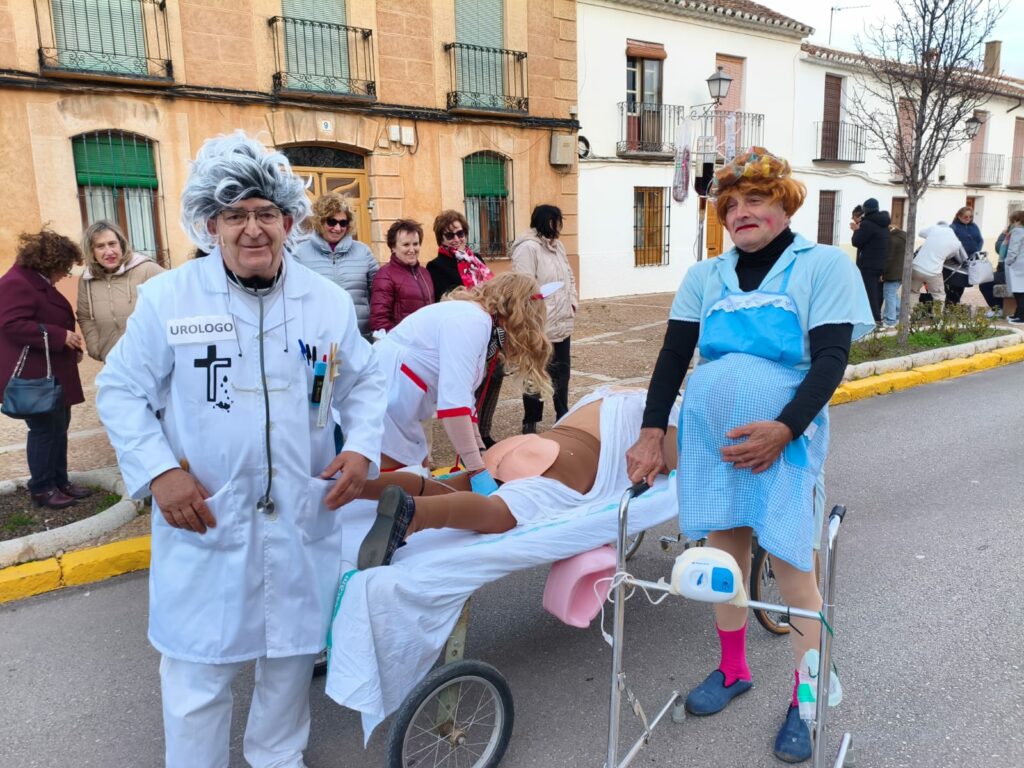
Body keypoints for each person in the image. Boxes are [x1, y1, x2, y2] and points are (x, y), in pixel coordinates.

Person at [95, 132, 386, 768]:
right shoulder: (170, 300)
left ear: (289, 221)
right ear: (210, 224)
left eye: (265, 214)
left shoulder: (325, 303)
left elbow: (364, 382)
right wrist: (160, 471)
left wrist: (362, 446)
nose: (252, 229)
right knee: (199, 673)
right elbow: (118, 390)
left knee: (287, 663)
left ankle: (278, 759)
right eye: (235, 214)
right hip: (208, 515)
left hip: (298, 513)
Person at [624, 147, 874, 763]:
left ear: (783, 202)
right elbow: (673, 357)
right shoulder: (705, 278)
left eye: (754, 199)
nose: (740, 212)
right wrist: (653, 430)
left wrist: (785, 429)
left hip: (783, 442)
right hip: (712, 444)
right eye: (729, 205)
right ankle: (733, 669)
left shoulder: (822, 267)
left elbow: (831, 361)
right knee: (723, 558)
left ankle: (805, 695)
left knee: (793, 566)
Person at [353, 387, 679, 568]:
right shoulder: (664, 409)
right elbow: (668, 461)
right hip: (567, 460)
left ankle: (358, 486)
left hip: (530, 443)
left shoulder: (604, 393)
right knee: (503, 512)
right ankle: (414, 515)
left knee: (458, 484)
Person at [374, 271, 553, 478]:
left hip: (400, 400)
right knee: (396, 480)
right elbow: (454, 406)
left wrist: (480, 454)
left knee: (416, 473)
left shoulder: (479, 321)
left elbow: (465, 404)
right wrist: (477, 470)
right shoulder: (472, 322)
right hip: (386, 399)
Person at [0, 229, 91, 509]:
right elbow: (12, 324)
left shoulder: (33, 281)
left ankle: (59, 481)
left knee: (58, 428)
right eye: (63, 268)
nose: (65, 274)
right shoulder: (16, 283)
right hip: (35, 376)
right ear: (49, 262)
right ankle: (42, 488)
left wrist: (68, 346)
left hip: (52, 372)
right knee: (43, 430)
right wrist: (59, 336)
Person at [427, 210, 501, 446]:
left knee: (494, 375)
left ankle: (485, 430)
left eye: (460, 233)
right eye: (450, 235)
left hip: (487, 327)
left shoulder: (475, 259)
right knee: (469, 382)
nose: (456, 238)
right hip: (462, 331)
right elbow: (444, 298)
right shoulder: (436, 266)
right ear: (441, 238)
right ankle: (471, 436)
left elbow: (491, 288)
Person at [511, 204, 578, 434]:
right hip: (539, 325)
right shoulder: (527, 249)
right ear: (546, 221)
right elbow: (523, 285)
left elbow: (569, 276)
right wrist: (536, 312)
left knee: (562, 371)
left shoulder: (558, 246)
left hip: (562, 322)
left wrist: (572, 302)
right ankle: (530, 421)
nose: (559, 226)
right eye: (556, 221)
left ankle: (562, 413)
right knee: (535, 373)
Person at [292, 191, 378, 338]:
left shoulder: (364, 252)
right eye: (332, 222)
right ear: (320, 221)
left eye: (343, 223)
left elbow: (378, 295)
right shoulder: (300, 254)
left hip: (358, 336)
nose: (337, 228)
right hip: (317, 337)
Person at [76, 220, 164, 362]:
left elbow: (176, 302)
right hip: (113, 360)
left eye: (112, 244)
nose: (109, 252)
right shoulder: (87, 280)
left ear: (121, 244)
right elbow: (85, 316)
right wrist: (96, 348)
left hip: (152, 358)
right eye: (100, 246)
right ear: (92, 252)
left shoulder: (148, 269)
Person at [369, 219, 434, 333]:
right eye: (406, 245)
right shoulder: (385, 275)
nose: (412, 249)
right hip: (403, 346)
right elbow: (379, 321)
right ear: (393, 247)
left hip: (426, 343)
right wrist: (403, 341)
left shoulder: (425, 273)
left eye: (415, 244)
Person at [850, 198, 890, 325]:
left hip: (868, 264)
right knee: (877, 291)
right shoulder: (884, 223)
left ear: (866, 210)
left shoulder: (867, 224)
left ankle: (875, 319)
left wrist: (856, 230)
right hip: (881, 262)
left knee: (869, 291)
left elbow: (856, 242)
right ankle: (876, 316)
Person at [912, 222, 966, 311]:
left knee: (913, 291)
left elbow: (921, 233)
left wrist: (932, 238)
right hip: (934, 271)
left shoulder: (935, 229)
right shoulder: (957, 243)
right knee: (939, 295)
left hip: (917, 267)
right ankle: (937, 319)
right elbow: (950, 256)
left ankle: (910, 315)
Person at [948, 206, 983, 305]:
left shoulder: (974, 226)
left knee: (963, 282)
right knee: (955, 283)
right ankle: (952, 303)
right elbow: (950, 243)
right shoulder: (953, 227)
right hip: (956, 260)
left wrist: (977, 251)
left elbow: (980, 240)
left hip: (971, 260)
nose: (968, 218)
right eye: (965, 216)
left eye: (970, 216)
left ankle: (956, 302)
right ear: (959, 216)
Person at [882, 223, 906, 327]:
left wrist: (883, 272)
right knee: (892, 294)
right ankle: (899, 314)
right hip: (902, 272)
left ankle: (890, 320)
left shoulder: (892, 240)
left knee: (889, 294)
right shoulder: (904, 237)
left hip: (893, 272)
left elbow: (889, 258)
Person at [1004, 210, 1024, 323]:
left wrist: (1008, 261)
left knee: (1019, 292)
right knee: (1021, 291)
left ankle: (1021, 317)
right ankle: (1018, 314)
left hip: (1018, 266)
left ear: (1016, 220)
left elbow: (1013, 250)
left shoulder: (1017, 231)